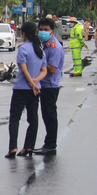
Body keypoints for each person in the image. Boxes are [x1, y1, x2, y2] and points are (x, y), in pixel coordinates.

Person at [6, 21, 48, 159]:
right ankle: (29, 146)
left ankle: (13, 147)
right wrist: (36, 82)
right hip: (35, 90)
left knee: (14, 118)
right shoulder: (39, 49)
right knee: (33, 118)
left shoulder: (23, 49)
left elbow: (23, 70)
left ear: (24, 34)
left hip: (22, 88)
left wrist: (31, 82)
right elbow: (44, 71)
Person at [34, 18, 65, 155]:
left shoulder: (54, 47)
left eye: (46, 30)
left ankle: (51, 145)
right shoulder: (43, 44)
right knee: (46, 115)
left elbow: (52, 69)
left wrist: (37, 66)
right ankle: (48, 143)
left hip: (50, 85)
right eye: (41, 29)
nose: (43, 32)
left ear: (52, 31)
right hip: (44, 84)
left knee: (50, 115)